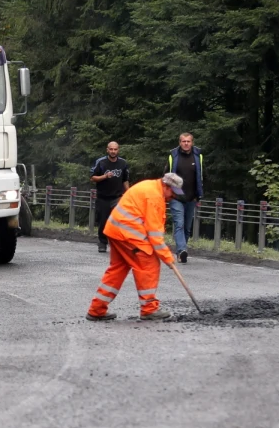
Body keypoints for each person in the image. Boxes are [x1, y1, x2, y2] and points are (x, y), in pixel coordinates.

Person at [87, 173, 183, 321]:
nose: (173, 197)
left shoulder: (150, 186)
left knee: (117, 269)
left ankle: (97, 309)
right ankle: (149, 309)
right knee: (149, 264)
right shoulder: (155, 197)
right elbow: (155, 235)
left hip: (115, 230)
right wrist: (167, 257)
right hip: (128, 234)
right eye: (173, 193)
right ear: (166, 185)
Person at [167, 132, 204, 263]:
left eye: (188, 141)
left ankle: (182, 252)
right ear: (179, 142)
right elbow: (167, 176)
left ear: (192, 142)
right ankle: (181, 250)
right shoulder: (173, 156)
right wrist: (171, 192)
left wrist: (199, 194)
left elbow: (200, 177)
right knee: (179, 224)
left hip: (191, 197)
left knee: (187, 227)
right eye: (184, 141)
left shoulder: (198, 156)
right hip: (176, 197)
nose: (186, 143)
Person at [89, 141, 130, 253]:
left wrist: (129, 193)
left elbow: (125, 180)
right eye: (111, 149)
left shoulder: (123, 163)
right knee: (103, 222)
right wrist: (105, 176)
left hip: (117, 197)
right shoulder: (101, 162)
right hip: (103, 197)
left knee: (118, 221)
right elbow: (92, 178)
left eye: (115, 149)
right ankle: (102, 243)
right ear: (107, 150)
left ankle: (118, 244)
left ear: (118, 150)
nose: (113, 151)